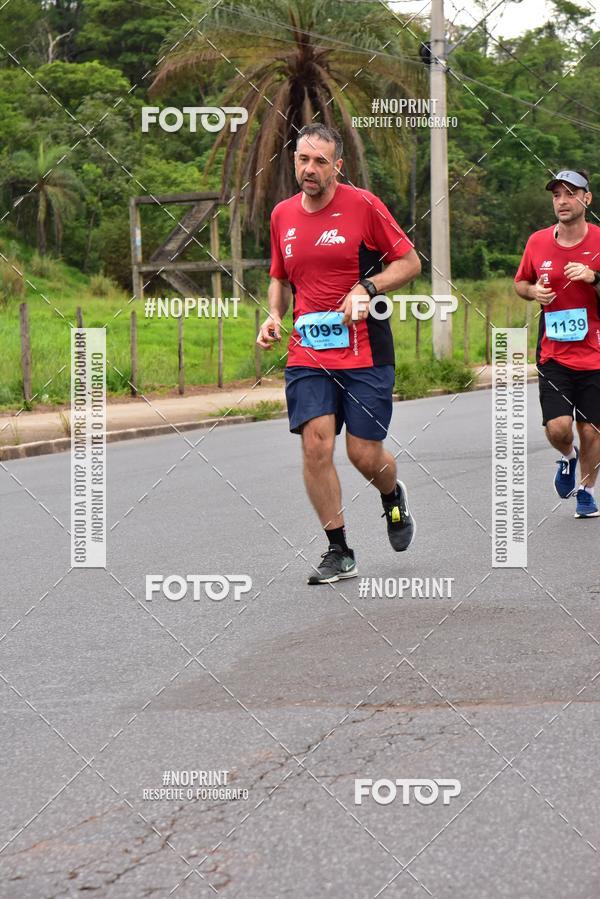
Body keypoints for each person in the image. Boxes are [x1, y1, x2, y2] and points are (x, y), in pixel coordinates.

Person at [257, 123, 421, 583]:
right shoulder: (282, 215)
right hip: (308, 352)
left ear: (337, 167)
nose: (309, 169)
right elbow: (279, 277)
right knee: (316, 445)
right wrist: (273, 315)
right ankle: (339, 549)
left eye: (320, 161)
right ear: (294, 161)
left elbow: (409, 263)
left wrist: (367, 286)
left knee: (363, 454)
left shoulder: (364, 205)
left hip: (366, 351)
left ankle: (392, 495)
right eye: (302, 159)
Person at [515, 169, 600, 518]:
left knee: (591, 430)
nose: (562, 201)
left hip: (596, 354)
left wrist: (593, 277)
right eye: (556, 195)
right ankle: (567, 456)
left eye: (570, 193)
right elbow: (521, 283)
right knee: (559, 427)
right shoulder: (537, 242)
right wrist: (533, 291)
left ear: (586, 198)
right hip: (554, 354)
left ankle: (586, 492)